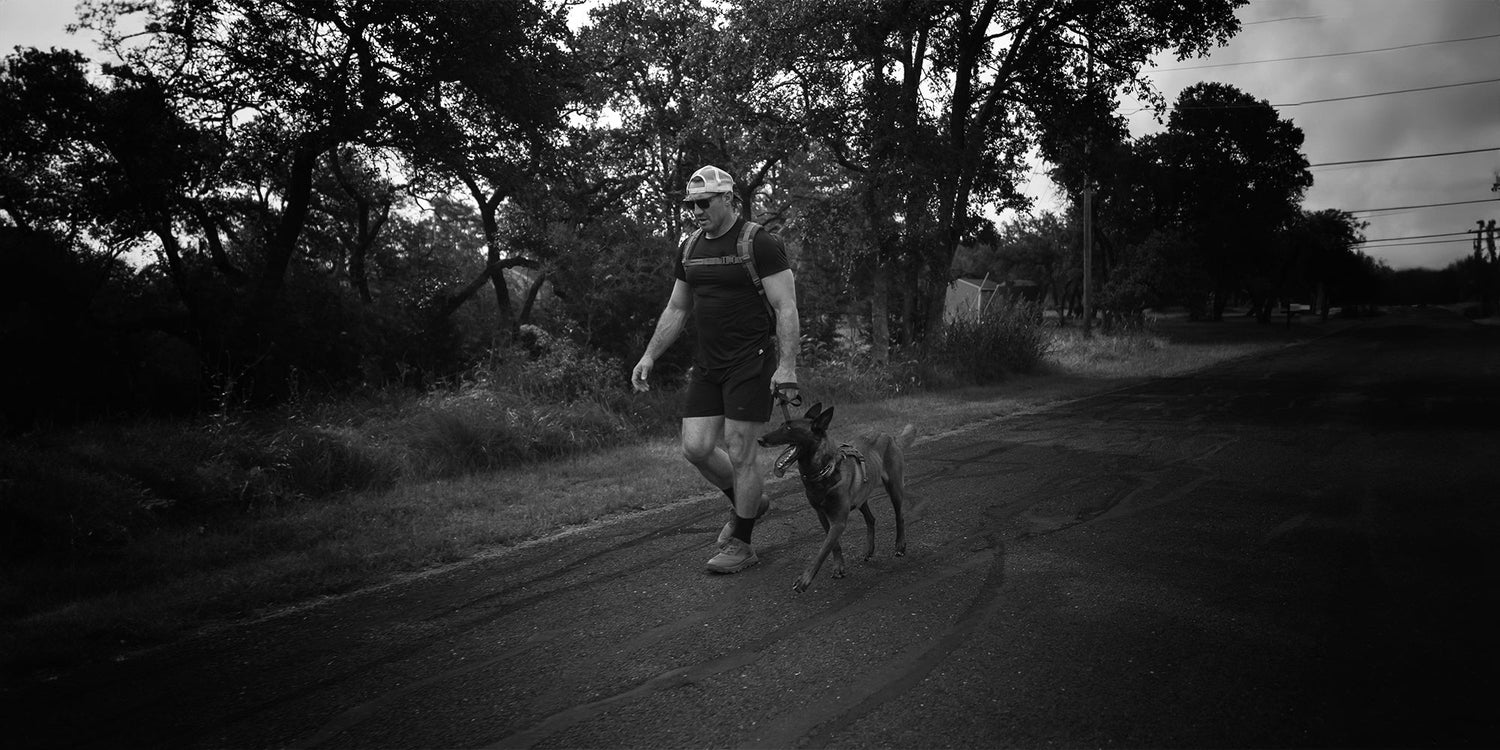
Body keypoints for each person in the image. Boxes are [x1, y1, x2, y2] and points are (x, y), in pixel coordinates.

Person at [631, 165, 800, 574]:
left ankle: (742, 543)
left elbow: (786, 306)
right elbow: (677, 308)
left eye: (704, 203)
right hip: (708, 364)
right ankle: (750, 505)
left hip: (751, 360)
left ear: (728, 198)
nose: (696, 211)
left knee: (741, 450)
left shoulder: (759, 243)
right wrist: (650, 354)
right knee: (696, 447)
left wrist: (788, 366)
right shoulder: (689, 247)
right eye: (691, 204)